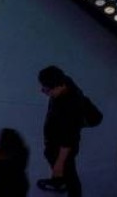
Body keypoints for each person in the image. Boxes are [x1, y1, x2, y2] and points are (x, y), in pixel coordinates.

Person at [37, 66, 95, 196]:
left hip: (62, 148)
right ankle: (58, 182)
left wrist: (60, 162)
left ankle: (71, 191)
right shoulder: (65, 82)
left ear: (59, 86)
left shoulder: (69, 110)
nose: (43, 91)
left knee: (69, 174)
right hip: (55, 141)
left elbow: (68, 140)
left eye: (47, 89)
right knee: (51, 156)